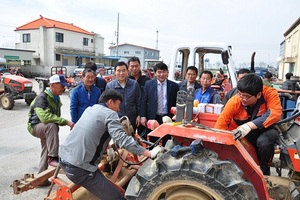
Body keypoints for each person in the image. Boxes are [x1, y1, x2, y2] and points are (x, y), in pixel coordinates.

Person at [59, 89, 162, 200]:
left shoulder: (91, 109)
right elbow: (123, 140)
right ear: (110, 102)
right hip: (79, 168)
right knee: (117, 197)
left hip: (64, 158)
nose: (118, 109)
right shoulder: (110, 114)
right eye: (118, 104)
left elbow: (92, 131)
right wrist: (149, 153)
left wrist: (105, 145)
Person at [215, 74, 282, 175]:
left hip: (266, 129)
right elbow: (221, 125)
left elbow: (275, 114)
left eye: (246, 97)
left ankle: (265, 170)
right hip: (244, 133)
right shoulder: (235, 101)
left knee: (264, 143)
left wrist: (249, 126)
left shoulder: (270, 93)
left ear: (258, 95)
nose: (242, 99)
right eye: (240, 94)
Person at [27, 75, 74, 176]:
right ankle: (53, 157)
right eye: (61, 86)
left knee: (46, 149)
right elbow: (45, 118)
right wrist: (66, 122)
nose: (64, 88)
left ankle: (41, 177)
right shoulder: (42, 98)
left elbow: (55, 118)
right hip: (35, 126)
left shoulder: (56, 99)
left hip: (44, 127)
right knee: (52, 126)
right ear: (52, 85)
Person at [140, 62, 179, 144]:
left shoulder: (174, 86)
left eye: (164, 72)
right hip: (153, 117)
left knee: (167, 141)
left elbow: (177, 103)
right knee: (153, 142)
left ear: (167, 73)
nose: (161, 74)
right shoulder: (149, 84)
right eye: (159, 72)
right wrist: (143, 116)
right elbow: (143, 101)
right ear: (155, 73)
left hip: (168, 118)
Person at [106, 61, 141, 132]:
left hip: (132, 119)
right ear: (115, 72)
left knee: (131, 139)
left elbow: (139, 100)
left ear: (127, 71)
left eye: (123, 70)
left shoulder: (134, 84)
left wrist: (139, 115)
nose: (121, 73)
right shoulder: (110, 86)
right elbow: (107, 105)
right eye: (118, 71)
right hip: (116, 120)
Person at [128, 56, 150, 134]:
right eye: (132, 66)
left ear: (140, 66)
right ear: (128, 67)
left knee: (142, 137)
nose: (134, 68)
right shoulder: (126, 80)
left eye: (136, 66)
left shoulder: (146, 79)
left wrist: (141, 114)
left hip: (143, 113)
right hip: (130, 114)